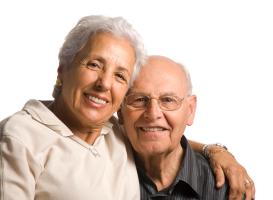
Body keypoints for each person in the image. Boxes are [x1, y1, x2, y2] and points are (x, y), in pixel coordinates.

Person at [0, 15, 254, 200]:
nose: (104, 83)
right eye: (94, 65)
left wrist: (216, 151)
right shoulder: (19, 136)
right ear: (63, 70)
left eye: (120, 75)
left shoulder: (113, 132)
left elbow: (161, 133)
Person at [118, 55, 252, 199]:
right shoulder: (102, 172)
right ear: (120, 110)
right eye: (139, 99)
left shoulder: (229, 188)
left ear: (190, 110)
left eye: (168, 100)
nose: (153, 114)